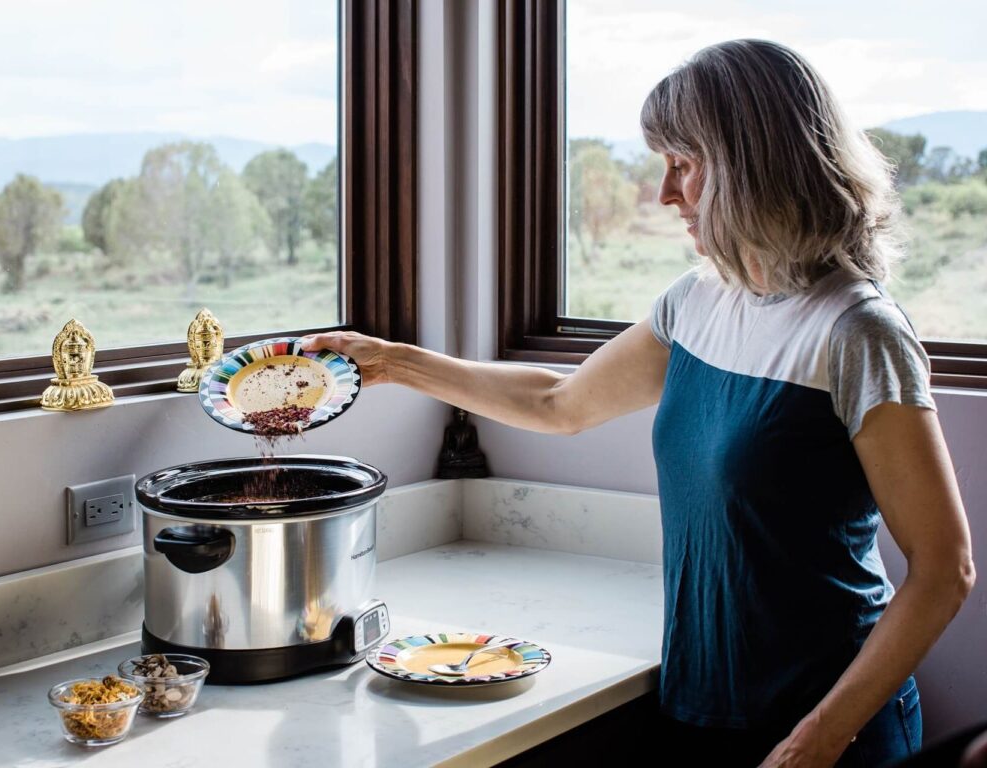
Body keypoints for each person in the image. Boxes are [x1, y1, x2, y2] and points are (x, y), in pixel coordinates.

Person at [300, 39, 975, 767]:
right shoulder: (695, 304)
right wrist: (394, 362)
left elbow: (944, 568)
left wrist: (823, 735)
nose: (665, 193)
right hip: (696, 704)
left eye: (684, 165)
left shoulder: (856, 331)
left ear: (754, 167)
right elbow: (562, 402)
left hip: (822, 725)